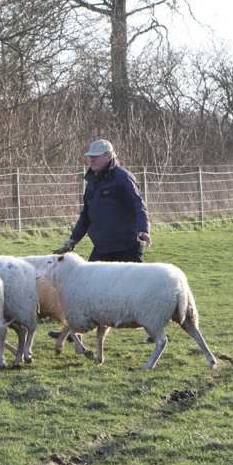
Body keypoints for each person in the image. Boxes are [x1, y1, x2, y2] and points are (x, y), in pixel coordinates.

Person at [48, 139, 152, 341]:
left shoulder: (123, 178)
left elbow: (138, 205)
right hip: (102, 247)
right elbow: (86, 214)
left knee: (139, 290)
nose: (92, 160)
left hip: (126, 245)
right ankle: (74, 332)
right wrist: (73, 239)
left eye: (96, 156)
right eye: (90, 157)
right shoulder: (93, 182)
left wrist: (143, 230)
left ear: (109, 156)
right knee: (88, 291)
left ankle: (154, 333)